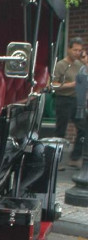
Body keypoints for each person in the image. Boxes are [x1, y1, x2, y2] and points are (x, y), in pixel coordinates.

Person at [52, 37, 85, 168]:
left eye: (80, 50)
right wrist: (71, 84)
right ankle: (56, 161)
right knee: (61, 131)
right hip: (63, 100)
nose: (77, 53)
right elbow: (53, 84)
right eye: (75, 50)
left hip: (77, 100)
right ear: (68, 49)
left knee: (83, 129)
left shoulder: (80, 65)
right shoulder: (61, 65)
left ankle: (75, 157)